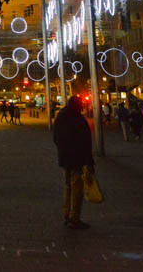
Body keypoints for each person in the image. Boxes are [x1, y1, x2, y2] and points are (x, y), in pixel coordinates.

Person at [53, 95, 94, 230]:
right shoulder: (77, 119)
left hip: (65, 158)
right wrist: (88, 162)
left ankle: (67, 213)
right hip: (77, 158)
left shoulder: (61, 117)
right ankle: (74, 217)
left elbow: (56, 138)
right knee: (77, 189)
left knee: (68, 186)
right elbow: (84, 142)